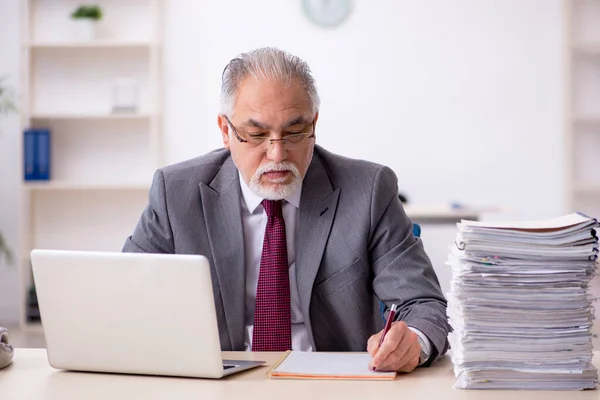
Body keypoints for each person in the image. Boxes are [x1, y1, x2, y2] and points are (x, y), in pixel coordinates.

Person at [123, 47, 449, 373]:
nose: (277, 154)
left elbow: (423, 303)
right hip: (215, 380)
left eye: (294, 133)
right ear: (226, 131)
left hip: (334, 383)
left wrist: (413, 342)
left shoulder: (368, 190)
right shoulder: (176, 193)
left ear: (314, 125)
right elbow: (124, 297)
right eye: (256, 134)